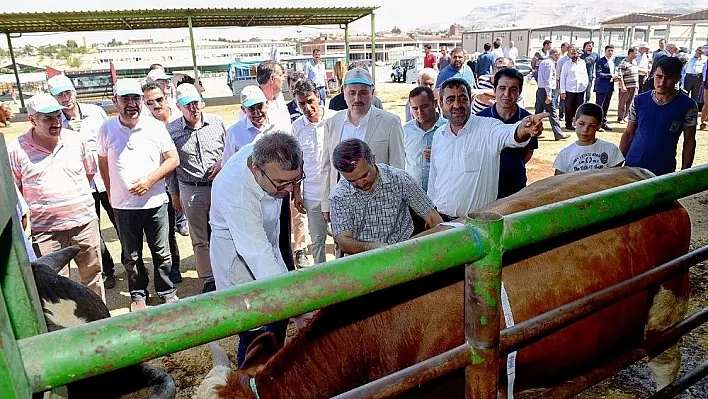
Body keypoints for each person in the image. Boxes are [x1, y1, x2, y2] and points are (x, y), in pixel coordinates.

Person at [209, 132, 303, 367]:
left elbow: (266, 251)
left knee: (278, 319)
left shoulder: (271, 154)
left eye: (296, 180)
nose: (290, 190)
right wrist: (301, 305)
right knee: (256, 327)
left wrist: (294, 186)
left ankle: (275, 368)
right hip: (238, 256)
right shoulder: (237, 193)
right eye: (283, 183)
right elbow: (257, 256)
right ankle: (250, 380)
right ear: (255, 170)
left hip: (265, 241)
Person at [8, 93, 105, 301]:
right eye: (48, 118)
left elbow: (89, 172)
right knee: (54, 285)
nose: (56, 122)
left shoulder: (76, 141)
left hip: (84, 224)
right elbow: (15, 189)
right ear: (32, 119)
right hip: (46, 232)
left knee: (93, 276)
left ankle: (100, 322)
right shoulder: (16, 150)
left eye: (57, 116)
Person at [97, 78, 179, 312]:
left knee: (161, 252)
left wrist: (150, 180)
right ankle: (138, 294)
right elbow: (102, 160)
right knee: (131, 256)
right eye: (125, 99)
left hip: (155, 203)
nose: (131, 104)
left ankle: (166, 290)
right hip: (124, 206)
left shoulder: (154, 126)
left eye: (135, 98)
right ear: (115, 102)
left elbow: (173, 159)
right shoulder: (107, 129)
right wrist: (111, 190)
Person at [427, 78, 547, 219]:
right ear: (441, 104)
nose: (457, 105)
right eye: (450, 99)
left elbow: (511, 134)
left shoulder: (488, 128)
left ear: (470, 101)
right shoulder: (439, 135)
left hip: (476, 224)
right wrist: (432, 214)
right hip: (441, 223)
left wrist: (524, 129)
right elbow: (434, 179)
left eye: (463, 98)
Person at [46, 74, 118, 289]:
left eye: (67, 92)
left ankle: (130, 263)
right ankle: (107, 270)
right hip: (80, 184)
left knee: (120, 223)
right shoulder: (54, 121)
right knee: (92, 229)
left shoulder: (95, 112)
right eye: (59, 95)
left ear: (74, 91)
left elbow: (111, 139)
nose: (65, 98)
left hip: (106, 178)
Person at [329, 139, 442, 255]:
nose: (361, 183)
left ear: (373, 159)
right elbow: (343, 241)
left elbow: (434, 219)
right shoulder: (339, 197)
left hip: (404, 254)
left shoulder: (399, 179)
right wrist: (372, 248)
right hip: (360, 261)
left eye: (365, 175)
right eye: (352, 181)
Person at [320, 67, 405, 220]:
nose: (357, 98)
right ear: (344, 94)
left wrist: (393, 204)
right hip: (342, 204)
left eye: (363, 92)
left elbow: (397, 168)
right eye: (352, 93)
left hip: (378, 204)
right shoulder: (332, 123)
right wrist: (326, 204)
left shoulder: (390, 122)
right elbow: (327, 167)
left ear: (372, 93)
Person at [166, 83, 226, 293]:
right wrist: (174, 193)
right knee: (200, 238)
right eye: (187, 105)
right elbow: (171, 165)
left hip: (219, 186)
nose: (193, 108)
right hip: (191, 189)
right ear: (179, 107)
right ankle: (208, 278)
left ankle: (227, 271)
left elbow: (229, 150)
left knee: (225, 231)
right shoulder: (172, 130)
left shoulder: (217, 123)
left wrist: (221, 162)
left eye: (196, 103)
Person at [619, 56, 698, 176]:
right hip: (632, 166)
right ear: (653, 75)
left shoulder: (688, 106)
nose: (662, 82)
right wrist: (619, 161)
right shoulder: (639, 100)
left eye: (669, 77)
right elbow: (629, 133)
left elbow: (689, 141)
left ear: (678, 78)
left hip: (663, 170)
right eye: (659, 76)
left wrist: (685, 171)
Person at [476, 68, 538, 198]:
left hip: (515, 185)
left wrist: (512, 163)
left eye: (513, 89)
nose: (507, 94)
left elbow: (528, 152)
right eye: (502, 88)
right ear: (494, 91)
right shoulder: (479, 119)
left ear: (520, 92)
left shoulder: (528, 120)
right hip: (484, 187)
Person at [291, 79, 329, 264]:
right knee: (317, 241)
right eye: (301, 104)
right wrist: (297, 192)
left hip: (336, 191)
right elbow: (297, 163)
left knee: (341, 238)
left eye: (310, 101)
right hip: (311, 194)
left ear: (319, 97)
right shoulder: (297, 127)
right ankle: (322, 278)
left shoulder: (335, 119)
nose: (307, 107)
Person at [553, 103, 624, 175]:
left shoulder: (611, 149)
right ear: (574, 121)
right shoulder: (565, 154)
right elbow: (558, 182)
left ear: (599, 126)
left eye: (592, 126)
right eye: (581, 124)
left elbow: (617, 178)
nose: (585, 129)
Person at [403, 86, 447, 191]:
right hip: (413, 195)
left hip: (441, 193)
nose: (420, 112)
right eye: (415, 108)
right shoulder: (406, 130)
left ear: (435, 104)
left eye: (424, 106)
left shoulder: (448, 129)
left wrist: (439, 156)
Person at [223, 85, 272, 165]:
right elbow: (227, 164)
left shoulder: (277, 126)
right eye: (251, 108)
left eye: (260, 106)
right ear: (243, 109)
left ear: (267, 104)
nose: (257, 112)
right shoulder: (234, 132)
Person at [535, 48, 569, 141]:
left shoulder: (543, 62)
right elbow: (548, 79)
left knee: (538, 113)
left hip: (540, 89)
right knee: (552, 113)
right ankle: (558, 133)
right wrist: (549, 94)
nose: (559, 57)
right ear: (555, 54)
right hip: (546, 91)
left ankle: (534, 132)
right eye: (558, 55)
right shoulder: (549, 63)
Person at [559, 46, 589, 131]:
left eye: (574, 53)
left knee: (579, 107)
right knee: (569, 107)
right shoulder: (566, 64)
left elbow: (585, 75)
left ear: (578, 54)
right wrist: (562, 91)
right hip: (569, 89)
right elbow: (562, 78)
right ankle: (568, 124)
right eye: (571, 54)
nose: (573, 55)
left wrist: (585, 85)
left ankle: (577, 123)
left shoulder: (582, 63)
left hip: (580, 89)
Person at [594, 45, 617, 131]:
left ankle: (603, 123)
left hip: (610, 87)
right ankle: (597, 124)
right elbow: (598, 74)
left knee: (606, 106)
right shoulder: (600, 61)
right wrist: (610, 75)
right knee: (599, 106)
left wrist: (615, 77)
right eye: (609, 51)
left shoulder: (612, 62)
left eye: (612, 51)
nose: (610, 52)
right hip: (601, 87)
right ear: (605, 51)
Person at [617, 47, 640, 123]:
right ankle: (620, 117)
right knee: (623, 102)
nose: (637, 55)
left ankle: (626, 116)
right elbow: (620, 76)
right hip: (626, 86)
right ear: (630, 53)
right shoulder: (623, 63)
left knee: (630, 102)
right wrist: (622, 86)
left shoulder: (634, 62)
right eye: (635, 53)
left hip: (634, 86)